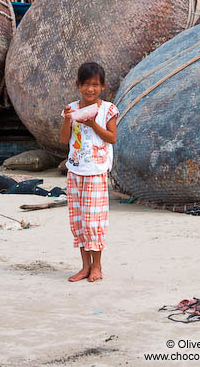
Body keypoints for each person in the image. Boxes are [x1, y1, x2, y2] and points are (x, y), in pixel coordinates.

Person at [60, 62, 119, 283]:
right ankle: (85, 267)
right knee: (79, 221)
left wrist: (93, 124)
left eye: (95, 85)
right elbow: (64, 139)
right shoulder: (72, 108)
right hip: (75, 170)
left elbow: (112, 138)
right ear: (78, 85)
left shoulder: (108, 109)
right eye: (85, 84)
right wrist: (68, 119)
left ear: (102, 86)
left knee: (93, 221)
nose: (90, 89)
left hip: (96, 171)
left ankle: (97, 266)